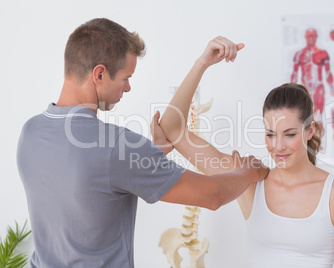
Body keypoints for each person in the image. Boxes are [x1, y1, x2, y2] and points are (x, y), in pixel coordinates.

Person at [16, 18, 268, 268]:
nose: (127, 88)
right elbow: (213, 195)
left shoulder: (30, 132)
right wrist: (249, 171)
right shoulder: (118, 146)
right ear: (99, 74)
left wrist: (151, 153)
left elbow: (89, 184)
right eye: (125, 78)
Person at [157, 36, 334, 267]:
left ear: (310, 131)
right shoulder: (249, 180)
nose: (278, 146)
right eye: (270, 134)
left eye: (290, 134)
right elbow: (172, 128)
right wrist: (201, 64)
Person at [291, 28, 334, 124]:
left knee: (318, 117)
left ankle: (319, 138)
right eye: (309, 36)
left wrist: (332, 88)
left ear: (316, 37)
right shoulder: (299, 54)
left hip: (318, 87)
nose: (311, 38)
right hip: (305, 87)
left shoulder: (322, 53)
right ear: (305, 37)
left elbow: (328, 72)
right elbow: (295, 73)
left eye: (313, 36)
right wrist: (290, 90)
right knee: (306, 117)